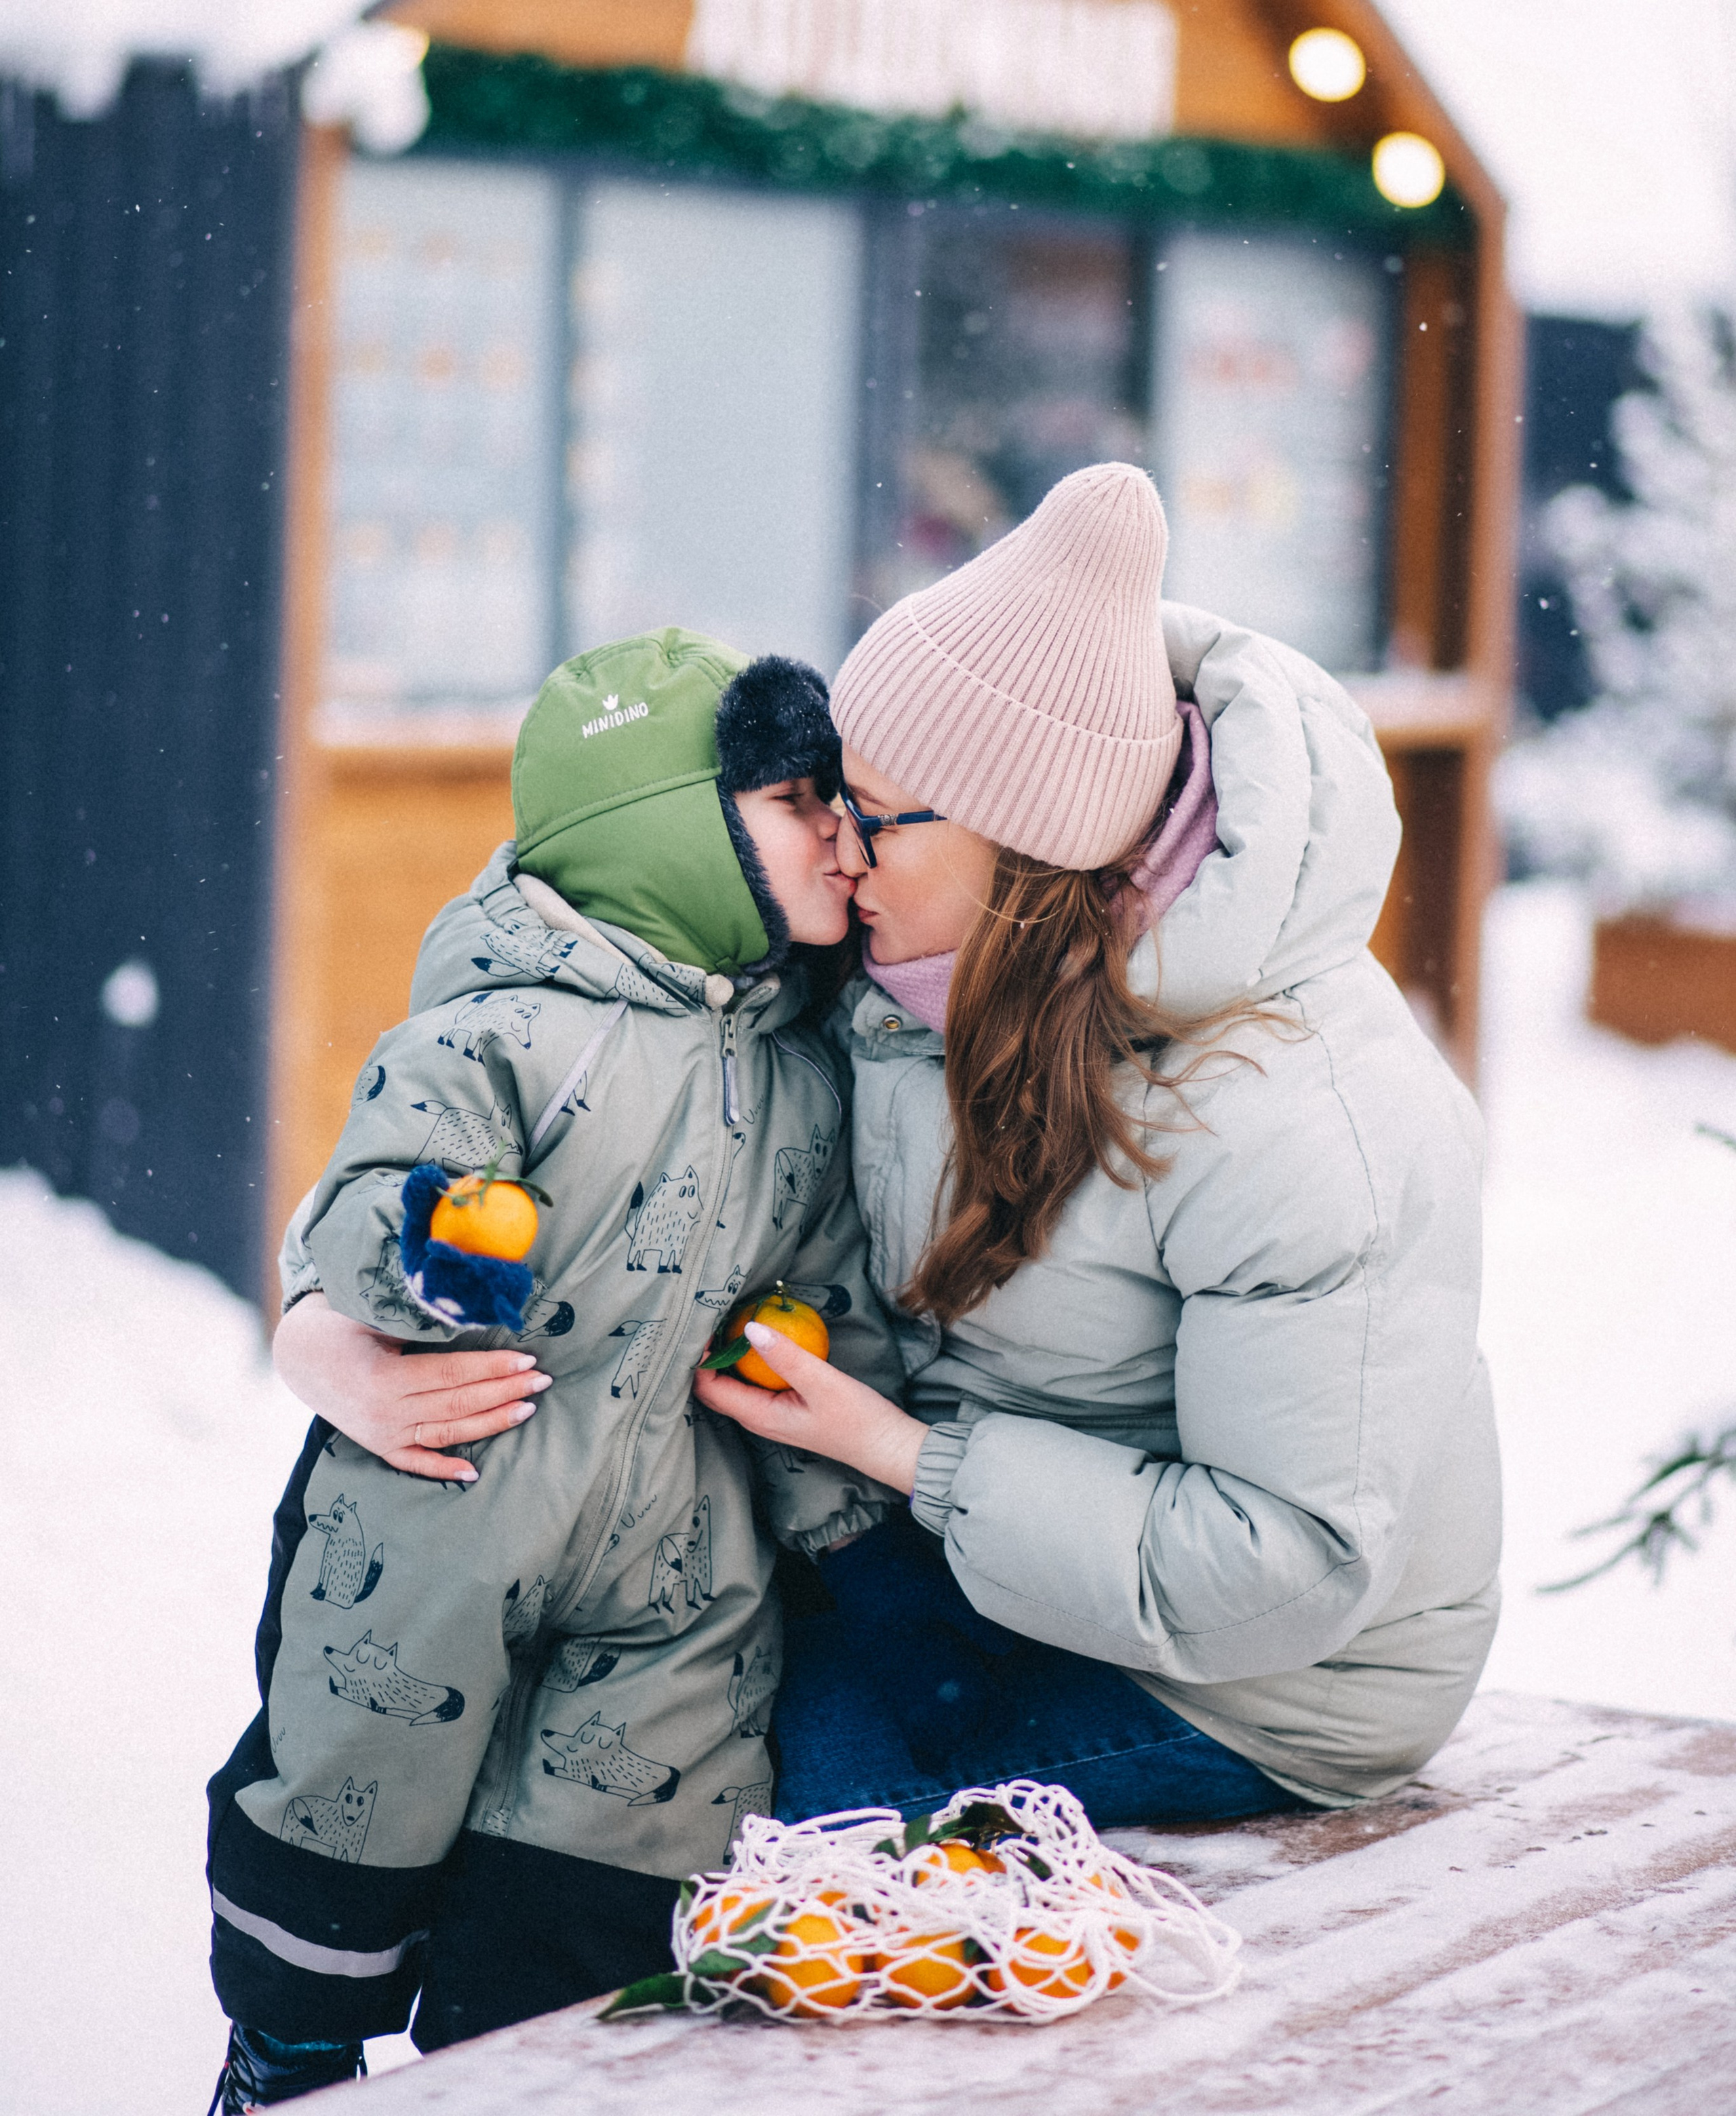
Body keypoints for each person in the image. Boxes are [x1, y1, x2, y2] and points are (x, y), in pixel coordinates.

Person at [284, 465, 1501, 2010]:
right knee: (570, 1687)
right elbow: (538, 1067)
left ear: (1017, 845)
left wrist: (903, 1455)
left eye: (871, 816)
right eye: (821, 807)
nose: (833, 851)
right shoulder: (896, 960)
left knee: (734, 1832)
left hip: (1258, 1676)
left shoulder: (1300, 1121)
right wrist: (323, 1326)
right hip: (950, 1548)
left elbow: (1286, 1563)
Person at [207, 631, 905, 2111]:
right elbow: (367, 1200)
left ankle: (519, 2074)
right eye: (798, 802)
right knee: (347, 1802)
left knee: (598, 1897)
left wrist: (832, 1491)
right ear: (671, 826)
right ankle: (288, 2053)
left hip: (679, 1561)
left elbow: (817, 1299)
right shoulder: (504, 1028)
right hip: (440, 1521)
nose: (844, 838)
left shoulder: (805, 1062)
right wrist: (440, 1245)